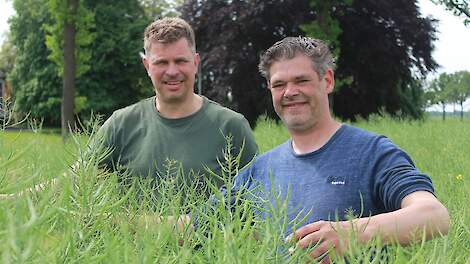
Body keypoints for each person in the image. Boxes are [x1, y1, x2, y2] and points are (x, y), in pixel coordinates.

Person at [209, 36, 449, 261]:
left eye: (301, 80)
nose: (290, 92)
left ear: (327, 81)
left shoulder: (372, 153)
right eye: (279, 84)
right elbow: (197, 225)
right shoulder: (261, 169)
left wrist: (352, 233)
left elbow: (433, 215)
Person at [96, 17, 258, 198]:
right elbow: (76, 183)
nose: (172, 72)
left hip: (210, 227)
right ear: (147, 66)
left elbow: (257, 199)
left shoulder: (231, 126)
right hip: (132, 228)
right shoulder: (122, 124)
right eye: (161, 63)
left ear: (195, 63)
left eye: (180, 61)